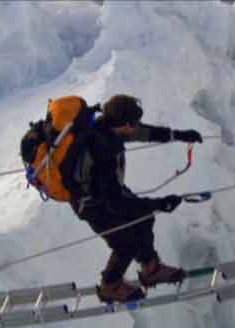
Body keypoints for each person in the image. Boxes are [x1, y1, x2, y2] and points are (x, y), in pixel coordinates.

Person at [65, 95, 203, 303]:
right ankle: (110, 285)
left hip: (107, 192)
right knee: (125, 243)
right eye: (134, 123)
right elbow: (116, 203)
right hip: (92, 203)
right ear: (125, 124)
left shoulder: (109, 128)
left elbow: (146, 133)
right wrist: (160, 204)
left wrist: (180, 135)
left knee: (144, 216)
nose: (136, 127)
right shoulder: (103, 150)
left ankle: (151, 268)